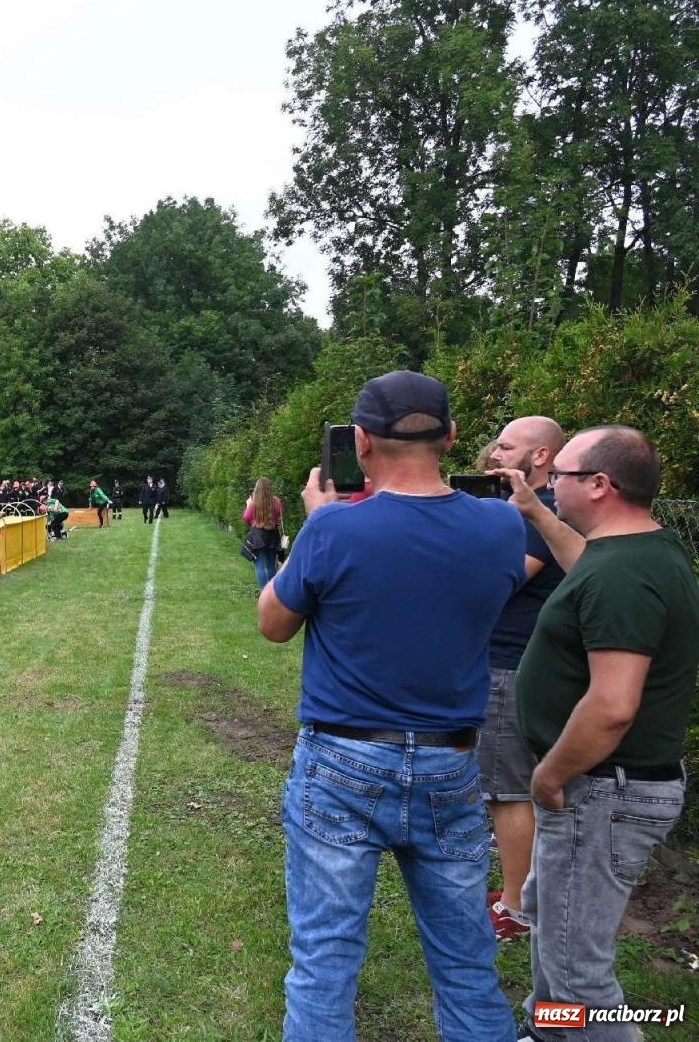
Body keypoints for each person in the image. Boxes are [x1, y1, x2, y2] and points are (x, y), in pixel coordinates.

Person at [257, 370, 525, 1040]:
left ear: (362, 441)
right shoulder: (498, 526)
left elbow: (273, 622)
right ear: (453, 437)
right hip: (450, 762)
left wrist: (318, 526)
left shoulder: (334, 529)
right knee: (466, 964)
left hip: (342, 757)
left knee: (324, 964)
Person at [497, 426, 699, 1042]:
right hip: (603, 788)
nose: (550, 482)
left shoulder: (625, 577)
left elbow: (612, 704)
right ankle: (549, 1032)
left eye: (560, 475)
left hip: (603, 790)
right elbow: (584, 565)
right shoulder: (634, 551)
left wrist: (551, 772)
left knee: (579, 974)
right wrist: (534, 510)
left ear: (600, 485)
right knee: (549, 927)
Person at [474, 416, 567, 943]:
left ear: (540, 458)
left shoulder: (541, 512)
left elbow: (504, 579)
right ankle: (519, 891)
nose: (494, 454)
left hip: (511, 665)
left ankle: (516, 908)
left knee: (506, 790)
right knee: (506, 784)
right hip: (512, 660)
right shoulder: (522, 508)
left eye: (506, 446)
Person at [242, 478, 284, 592]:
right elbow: (278, 517)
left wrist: (248, 505)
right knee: (271, 565)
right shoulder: (276, 501)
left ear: (257, 489)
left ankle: (264, 593)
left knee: (259, 565)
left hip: (258, 536)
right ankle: (272, 592)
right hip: (272, 534)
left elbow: (246, 518)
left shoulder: (254, 503)